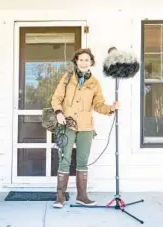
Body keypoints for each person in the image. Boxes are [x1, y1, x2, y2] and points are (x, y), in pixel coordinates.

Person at [51, 48, 119, 209]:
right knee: (65, 159)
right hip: (67, 125)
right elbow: (56, 98)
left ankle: (82, 196)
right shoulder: (67, 78)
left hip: (86, 127)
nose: (83, 62)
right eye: (81, 59)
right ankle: (60, 197)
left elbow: (98, 105)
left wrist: (111, 108)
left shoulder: (94, 83)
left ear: (91, 62)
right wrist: (58, 112)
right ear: (76, 61)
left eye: (87, 60)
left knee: (82, 161)